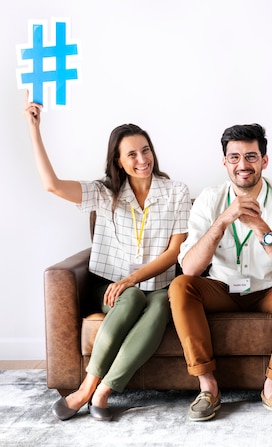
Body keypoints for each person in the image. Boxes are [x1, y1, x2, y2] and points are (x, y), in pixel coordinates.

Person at [23, 92, 191, 421]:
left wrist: (133, 278)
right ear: (118, 160)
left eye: (146, 150)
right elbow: (52, 185)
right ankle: (87, 388)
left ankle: (104, 389)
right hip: (112, 287)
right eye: (132, 154)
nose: (142, 159)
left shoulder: (176, 192)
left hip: (158, 285)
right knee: (129, 299)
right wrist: (34, 130)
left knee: (158, 304)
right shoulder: (104, 192)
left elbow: (175, 252)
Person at [168, 123, 272, 422]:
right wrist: (222, 222)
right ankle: (208, 388)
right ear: (224, 162)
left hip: (269, 290)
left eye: (251, 156)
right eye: (234, 157)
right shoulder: (209, 200)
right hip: (221, 289)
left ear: (264, 160)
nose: (243, 165)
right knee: (180, 286)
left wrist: (263, 229)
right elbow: (190, 267)